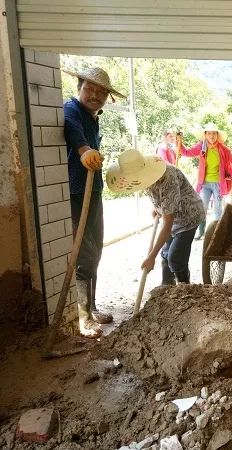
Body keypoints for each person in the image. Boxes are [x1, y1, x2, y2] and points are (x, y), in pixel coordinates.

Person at [63, 67, 125, 338]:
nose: (95, 95)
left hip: (93, 190)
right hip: (77, 192)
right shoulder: (72, 110)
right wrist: (84, 150)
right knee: (84, 254)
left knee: (96, 251)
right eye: (90, 89)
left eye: (101, 92)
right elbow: (73, 133)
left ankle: (92, 306)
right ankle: (83, 317)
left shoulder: (94, 118)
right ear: (80, 87)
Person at [106, 149, 205, 285]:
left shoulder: (168, 178)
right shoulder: (144, 179)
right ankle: (166, 286)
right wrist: (158, 207)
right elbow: (158, 196)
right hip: (171, 216)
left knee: (175, 257)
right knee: (165, 253)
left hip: (188, 216)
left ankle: (184, 289)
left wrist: (151, 257)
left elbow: (167, 223)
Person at [177, 123, 232, 239]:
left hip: (218, 184)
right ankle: (201, 231)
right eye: (208, 133)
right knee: (202, 207)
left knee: (218, 209)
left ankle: (217, 232)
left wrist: (230, 175)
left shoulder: (223, 149)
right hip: (204, 184)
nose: (211, 136)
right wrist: (179, 143)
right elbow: (186, 152)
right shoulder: (202, 147)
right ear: (205, 135)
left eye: (213, 133)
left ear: (217, 135)